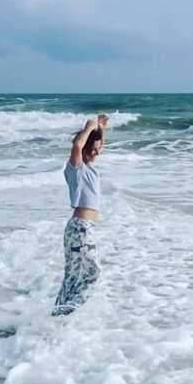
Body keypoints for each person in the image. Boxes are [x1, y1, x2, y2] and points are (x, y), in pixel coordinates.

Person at [53, 114, 108, 316]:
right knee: (92, 273)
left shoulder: (90, 170)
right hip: (80, 228)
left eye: (98, 148)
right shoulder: (76, 169)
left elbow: (94, 145)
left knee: (73, 276)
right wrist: (89, 128)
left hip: (82, 228)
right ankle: (67, 314)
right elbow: (77, 146)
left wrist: (100, 130)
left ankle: (57, 316)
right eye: (93, 149)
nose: (97, 152)